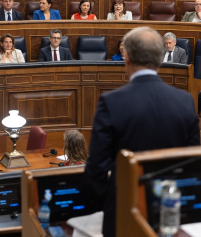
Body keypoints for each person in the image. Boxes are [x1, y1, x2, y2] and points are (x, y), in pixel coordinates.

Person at [85, 26, 200, 237]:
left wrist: (111, 201)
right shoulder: (185, 101)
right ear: (158, 58)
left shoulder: (110, 102)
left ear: (127, 57)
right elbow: (193, 166)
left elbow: (96, 169)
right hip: (170, 214)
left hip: (123, 213)